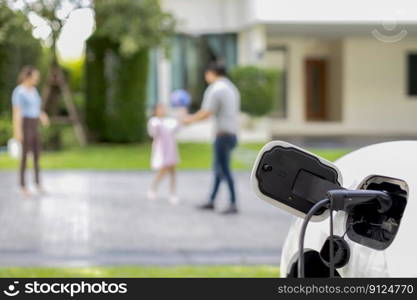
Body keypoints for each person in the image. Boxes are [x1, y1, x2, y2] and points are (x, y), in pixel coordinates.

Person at [183, 62, 240, 214]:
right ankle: (212, 200)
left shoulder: (216, 89)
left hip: (223, 136)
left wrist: (188, 120)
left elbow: (206, 112)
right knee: (218, 169)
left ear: (212, 73)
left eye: (206, 74)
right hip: (232, 134)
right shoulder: (230, 87)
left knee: (224, 169)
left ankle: (233, 202)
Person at [12, 66, 49, 196]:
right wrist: (17, 131)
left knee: (37, 155)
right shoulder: (19, 91)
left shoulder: (34, 91)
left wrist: (42, 116)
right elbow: (17, 112)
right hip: (25, 124)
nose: (37, 79)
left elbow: (37, 107)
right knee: (24, 157)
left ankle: (38, 183)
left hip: (34, 124)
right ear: (28, 77)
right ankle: (23, 186)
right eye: (35, 77)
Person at [147, 103, 180, 205]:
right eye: (160, 108)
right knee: (163, 170)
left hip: (171, 148)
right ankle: (153, 187)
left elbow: (176, 128)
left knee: (173, 171)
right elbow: (153, 133)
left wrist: (181, 116)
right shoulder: (154, 121)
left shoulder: (169, 121)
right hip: (162, 148)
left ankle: (172, 193)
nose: (162, 110)